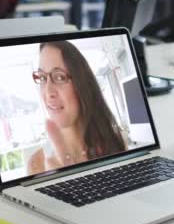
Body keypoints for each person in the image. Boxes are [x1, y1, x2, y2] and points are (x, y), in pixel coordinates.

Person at [27, 41, 126, 175]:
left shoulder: (114, 144)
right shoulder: (36, 164)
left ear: (82, 85)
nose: (48, 92)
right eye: (43, 78)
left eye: (59, 77)